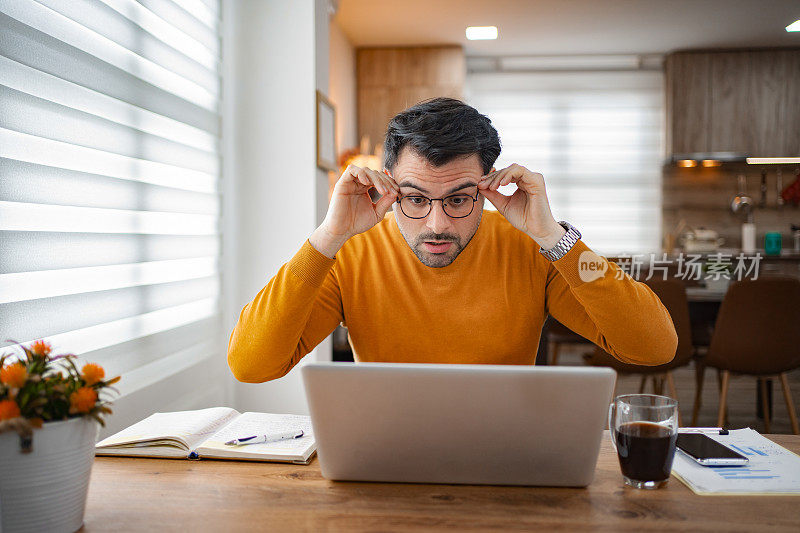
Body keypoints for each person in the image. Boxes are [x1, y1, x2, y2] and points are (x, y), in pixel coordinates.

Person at [227, 98, 677, 383]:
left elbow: (654, 347)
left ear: (488, 186)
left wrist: (553, 237)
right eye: (415, 198)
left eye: (459, 199)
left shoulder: (530, 249)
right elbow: (251, 365)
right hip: (385, 454)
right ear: (387, 186)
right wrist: (327, 238)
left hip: (505, 452)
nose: (436, 224)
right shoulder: (350, 252)